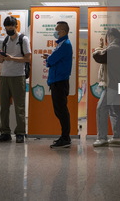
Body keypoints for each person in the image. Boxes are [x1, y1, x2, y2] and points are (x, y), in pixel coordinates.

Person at [92, 28, 120, 147]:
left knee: (101, 108)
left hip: (112, 85)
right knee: (114, 110)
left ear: (110, 36)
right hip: (118, 84)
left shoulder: (114, 48)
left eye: (107, 38)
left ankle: (102, 138)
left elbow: (99, 57)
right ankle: (117, 137)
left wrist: (97, 49)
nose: (107, 40)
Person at [0, 16, 30, 144]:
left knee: (19, 106)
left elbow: (28, 58)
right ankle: (5, 132)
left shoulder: (23, 39)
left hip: (18, 76)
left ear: (16, 26)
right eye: (7, 27)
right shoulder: (4, 41)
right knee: (4, 106)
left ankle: (20, 132)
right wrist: (1, 57)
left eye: (11, 27)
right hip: (4, 75)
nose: (9, 29)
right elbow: (0, 61)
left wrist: (11, 58)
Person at [43, 21, 73, 149]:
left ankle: (65, 138)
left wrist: (49, 59)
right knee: (59, 110)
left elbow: (52, 60)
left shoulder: (65, 44)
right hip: (57, 80)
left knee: (61, 110)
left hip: (60, 81)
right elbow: (53, 58)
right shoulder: (61, 44)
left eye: (57, 30)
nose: (55, 32)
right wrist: (50, 58)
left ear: (64, 32)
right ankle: (64, 136)